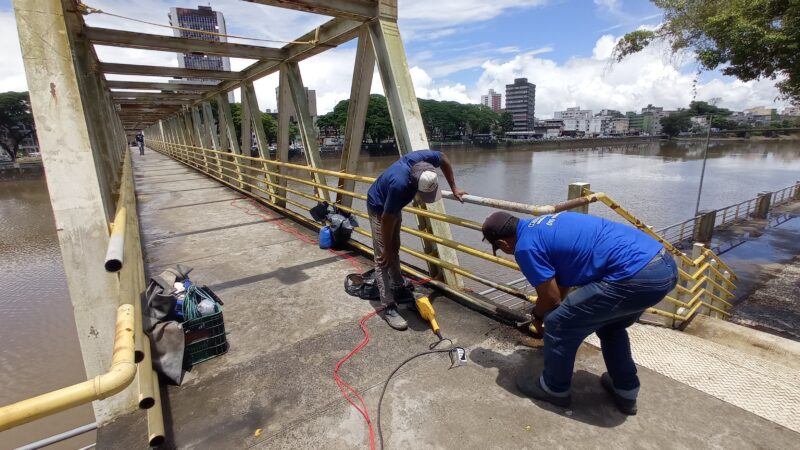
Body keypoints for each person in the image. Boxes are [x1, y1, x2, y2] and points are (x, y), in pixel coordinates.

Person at [481, 211, 677, 414]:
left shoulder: (525, 247)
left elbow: (551, 299)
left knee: (558, 324)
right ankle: (625, 389)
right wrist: (555, 310)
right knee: (611, 326)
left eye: (501, 248)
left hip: (633, 276)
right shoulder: (549, 221)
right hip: (663, 267)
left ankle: (554, 389)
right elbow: (560, 286)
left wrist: (538, 316)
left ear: (504, 244)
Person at [366, 150, 467, 330]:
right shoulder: (399, 185)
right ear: (413, 184)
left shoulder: (423, 160)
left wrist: (454, 187)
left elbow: (444, 158)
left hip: (393, 207)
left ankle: (398, 287)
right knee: (384, 257)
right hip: (380, 208)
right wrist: (387, 250)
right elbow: (386, 219)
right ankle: (388, 306)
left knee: (395, 248)